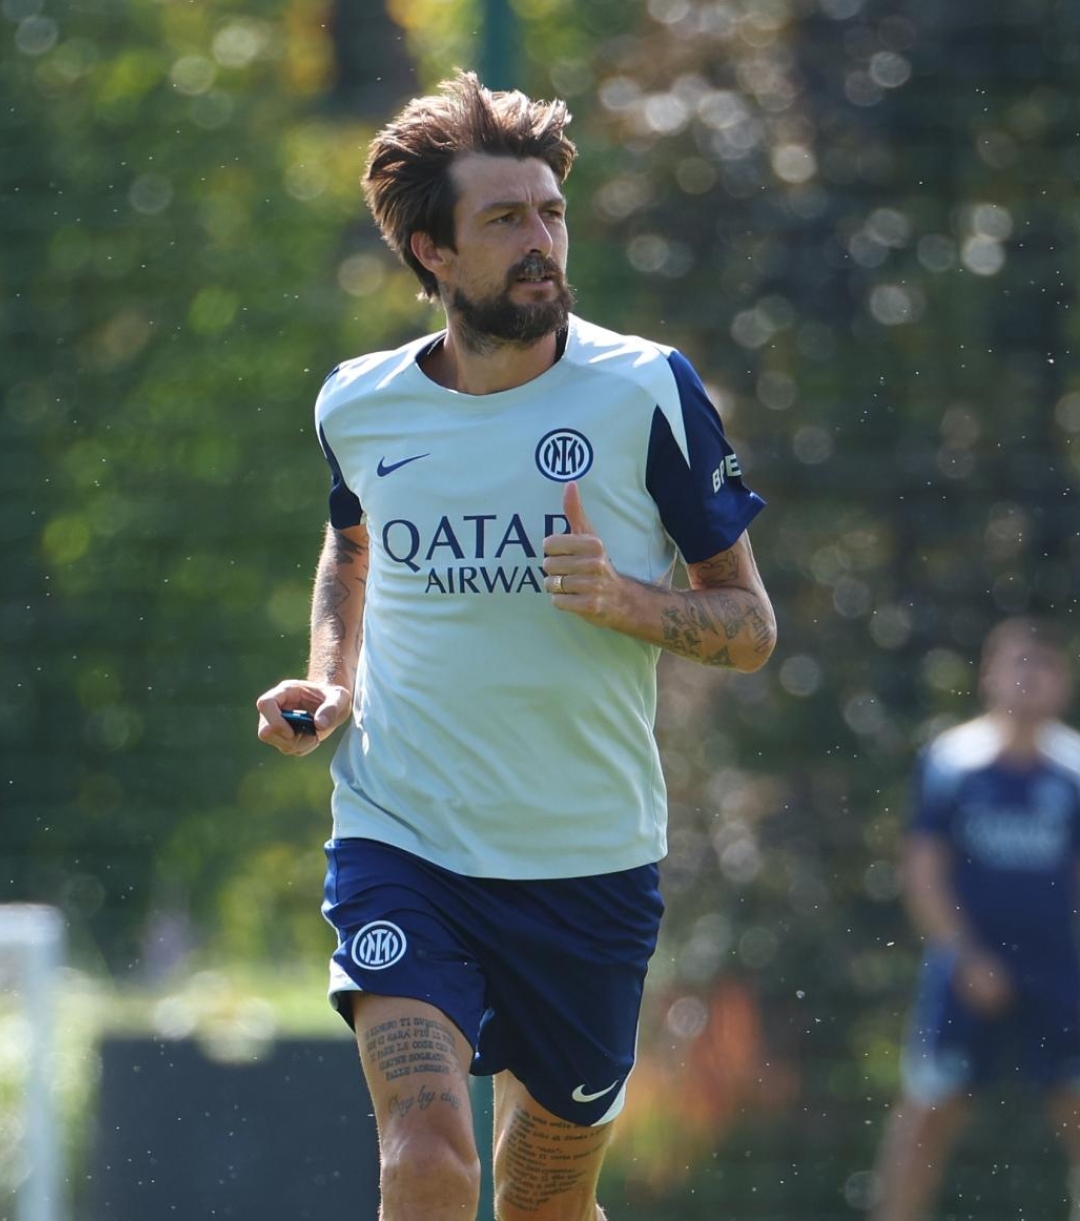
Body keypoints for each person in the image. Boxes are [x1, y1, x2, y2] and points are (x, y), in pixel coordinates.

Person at [253, 72, 775, 1220]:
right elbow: (350, 549)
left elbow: (749, 630)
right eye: (505, 220)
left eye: (550, 213)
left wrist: (629, 601)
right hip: (406, 839)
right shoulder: (360, 405)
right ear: (433, 252)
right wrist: (333, 684)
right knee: (431, 1159)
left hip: (587, 865)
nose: (541, 242)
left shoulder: (646, 393)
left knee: (542, 1203)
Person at [870, 618, 1080, 1221]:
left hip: (1056, 967)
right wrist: (966, 955)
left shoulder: (1071, 773)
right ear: (988, 675)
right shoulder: (953, 763)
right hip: (965, 967)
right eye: (1017, 664)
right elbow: (923, 872)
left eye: (1043, 666)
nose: (1028, 679)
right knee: (929, 1114)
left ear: (1061, 683)